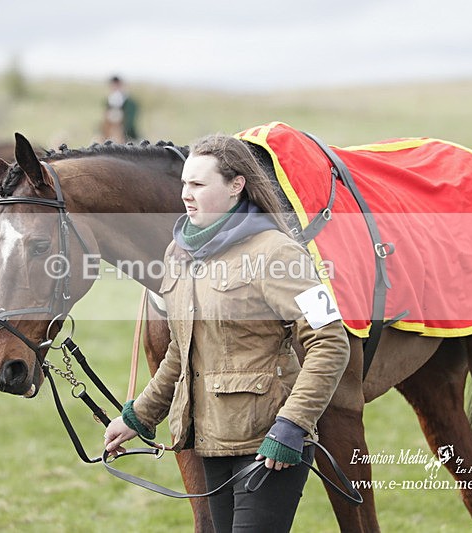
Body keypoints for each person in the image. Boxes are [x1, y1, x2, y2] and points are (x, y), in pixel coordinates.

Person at [104, 134, 351, 532]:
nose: (186, 194)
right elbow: (181, 350)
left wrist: (292, 424)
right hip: (210, 441)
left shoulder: (276, 253)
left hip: (270, 444)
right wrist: (138, 416)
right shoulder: (178, 254)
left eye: (199, 185)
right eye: (184, 183)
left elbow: (330, 341)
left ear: (237, 185)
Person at [103, 75, 139, 142]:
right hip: (108, 134)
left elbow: (130, 123)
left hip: (127, 135)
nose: (115, 88)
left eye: (117, 85)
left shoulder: (130, 103)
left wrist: (121, 131)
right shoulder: (108, 102)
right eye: (113, 85)